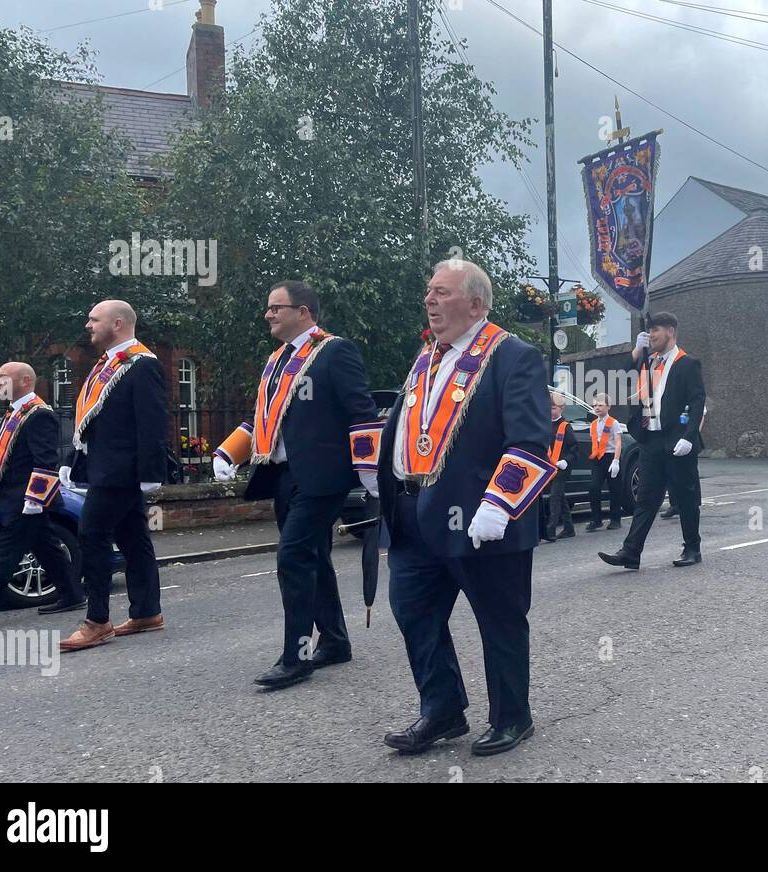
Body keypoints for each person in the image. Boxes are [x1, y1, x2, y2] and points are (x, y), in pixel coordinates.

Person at [377, 259, 554, 757]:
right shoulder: (427, 356)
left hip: (479, 518)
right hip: (414, 514)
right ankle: (443, 710)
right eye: (429, 291)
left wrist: (498, 506)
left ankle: (512, 717)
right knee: (415, 613)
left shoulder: (512, 355)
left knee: (498, 618)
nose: (430, 300)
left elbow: (530, 440)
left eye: (442, 292)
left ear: (476, 304)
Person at [213, 280, 381, 690]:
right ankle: (336, 641)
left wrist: (369, 468)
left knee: (292, 557)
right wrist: (228, 452)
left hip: (324, 475)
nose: (268, 314)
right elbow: (263, 417)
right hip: (284, 475)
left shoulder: (334, 351)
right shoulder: (277, 361)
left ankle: (297, 657)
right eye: (268, 308)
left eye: (276, 307)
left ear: (303, 311)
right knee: (314, 557)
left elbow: (362, 410)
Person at [58, 300, 167, 652]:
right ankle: (147, 612)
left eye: (94, 319)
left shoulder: (141, 364)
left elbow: (151, 422)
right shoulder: (106, 365)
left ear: (117, 324)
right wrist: (75, 460)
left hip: (122, 472)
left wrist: (151, 472)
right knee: (134, 537)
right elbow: (92, 421)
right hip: (106, 467)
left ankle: (97, 621)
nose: (88, 324)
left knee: (91, 534)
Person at [0, 363, 79, 626]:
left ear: (24, 380)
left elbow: (45, 461)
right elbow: (1, 458)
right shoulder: (14, 413)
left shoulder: (39, 414)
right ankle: (72, 594)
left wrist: (35, 499)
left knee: (5, 552)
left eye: (3, 377)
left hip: (26, 500)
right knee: (46, 546)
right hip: (13, 497)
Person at [600, 311, 705, 570]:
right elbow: (618, 379)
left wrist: (689, 437)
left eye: (655, 329)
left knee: (686, 496)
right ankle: (631, 552)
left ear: (670, 331)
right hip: (651, 439)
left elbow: (697, 402)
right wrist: (636, 353)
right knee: (646, 498)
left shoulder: (686, 363)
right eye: (649, 330)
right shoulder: (649, 361)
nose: (651, 335)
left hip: (677, 441)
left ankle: (692, 548)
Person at [541, 391, 580, 542]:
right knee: (560, 498)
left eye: (553, 408)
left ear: (561, 408)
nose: (550, 411)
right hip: (550, 467)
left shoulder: (565, 426)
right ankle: (569, 528)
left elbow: (574, 448)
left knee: (554, 498)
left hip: (562, 469)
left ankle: (550, 531)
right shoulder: (546, 424)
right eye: (549, 408)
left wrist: (566, 461)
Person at [584, 392, 624, 532]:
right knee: (593, 487)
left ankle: (615, 519)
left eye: (600, 405)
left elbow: (618, 442)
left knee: (614, 489)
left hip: (610, 457)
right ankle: (596, 519)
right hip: (597, 458)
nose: (597, 408)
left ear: (608, 406)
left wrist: (616, 461)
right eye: (595, 405)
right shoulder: (593, 424)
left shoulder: (613, 423)